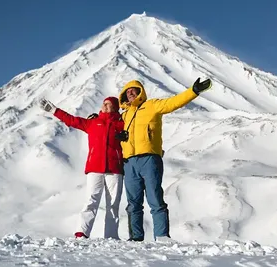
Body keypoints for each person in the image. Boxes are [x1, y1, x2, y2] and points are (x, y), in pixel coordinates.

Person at [116, 78, 212, 242]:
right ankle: (135, 238)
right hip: (129, 162)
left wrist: (193, 91)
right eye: (127, 91)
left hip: (150, 158)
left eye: (134, 90)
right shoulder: (123, 116)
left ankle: (161, 237)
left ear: (140, 92)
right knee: (133, 203)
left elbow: (173, 103)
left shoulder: (152, 105)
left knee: (155, 199)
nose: (130, 92)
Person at [40, 96, 124, 239]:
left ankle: (111, 236)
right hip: (95, 167)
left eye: (108, 104)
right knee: (91, 200)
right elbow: (72, 120)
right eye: (103, 104)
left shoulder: (121, 124)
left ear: (115, 107)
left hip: (114, 169)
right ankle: (82, 233)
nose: (104, 106)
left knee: (113, 204)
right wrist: (54, 110)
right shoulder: (93, 122)